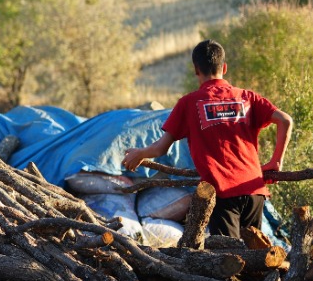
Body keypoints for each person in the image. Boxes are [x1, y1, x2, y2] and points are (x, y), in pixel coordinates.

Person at [122, 39, 293, 240]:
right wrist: (276, 161)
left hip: (222, 193)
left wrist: (139, 154)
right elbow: (285, 120)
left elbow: (161, 148)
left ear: (196, 69)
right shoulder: (247, 97)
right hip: (254, 192)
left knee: (228, 259)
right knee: (254, 256)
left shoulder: (189, 103)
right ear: (225, 68)